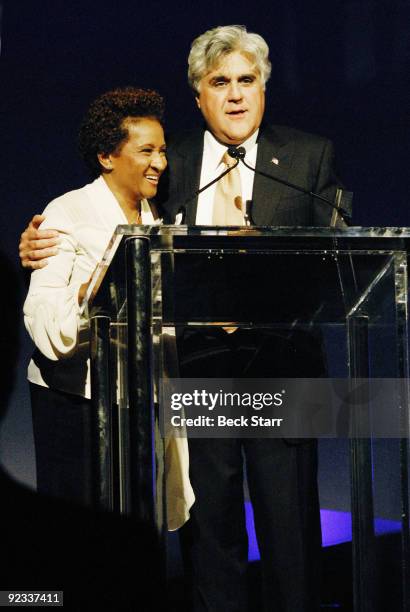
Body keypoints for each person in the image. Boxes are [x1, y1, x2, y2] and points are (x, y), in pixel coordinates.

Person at [19, 25, 344, 612]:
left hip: (284, 370)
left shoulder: (306, 156)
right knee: (208, 527)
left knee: (290, 528)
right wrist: (36, 242)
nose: (237, 95)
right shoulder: (169, 161)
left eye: (248, 81)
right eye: (221, 83)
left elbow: (341, 258)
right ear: (200, 96)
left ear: (265, 90)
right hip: (196, 369)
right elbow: (105, 211)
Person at [22, 86, 193, 531]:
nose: (160, 162)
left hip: (138, 401)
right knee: (77, 539)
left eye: (162, 150)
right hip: (75, 401)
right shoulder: (67, 212)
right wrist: (87, 297)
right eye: (146, 151)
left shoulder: (157, 218)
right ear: (106, 157)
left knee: (132, 532)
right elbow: (41, 311)